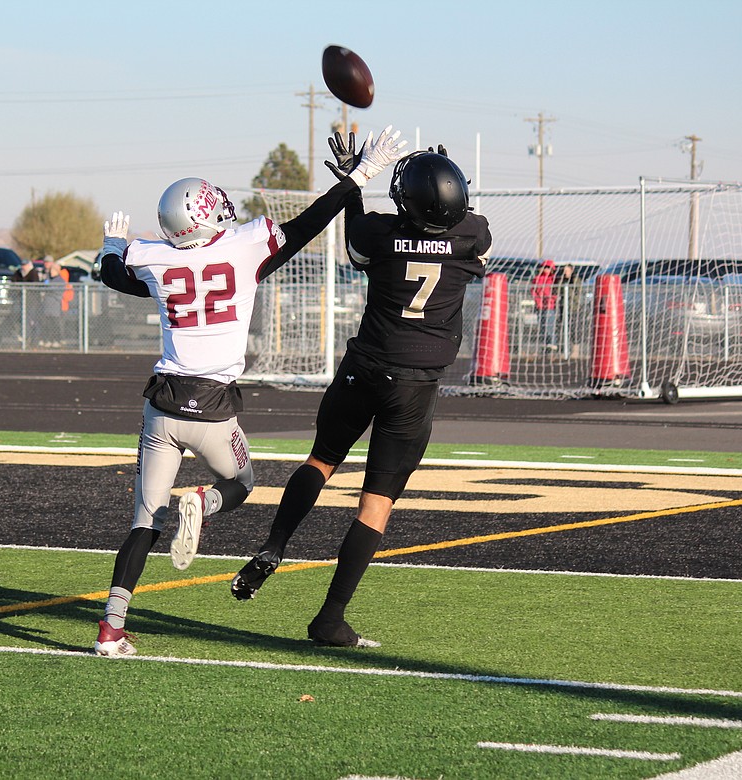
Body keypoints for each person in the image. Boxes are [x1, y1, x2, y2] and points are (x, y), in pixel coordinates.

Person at [92, 127, 408, 657]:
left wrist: (109, 248)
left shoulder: (154, 259)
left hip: (162, 405)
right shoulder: (243, 248)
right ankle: (203, 502)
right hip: (213, 409)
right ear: (207, 214)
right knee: (241, 484)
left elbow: (112, 275)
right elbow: (310, 223)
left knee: (145, 521)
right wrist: (362, 174)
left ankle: (111, 629)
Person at [230, 136, 492, 648]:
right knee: (375, 503)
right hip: (414, 388)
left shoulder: (379, 233)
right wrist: (443, 179)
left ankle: (275, 545)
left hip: (364, 368)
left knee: (321, 460)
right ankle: (329, 618)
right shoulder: (472, 235)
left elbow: (356, 242)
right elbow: (462, 223)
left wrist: (354, 183)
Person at [532, 259, 558, 351]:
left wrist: (551, 299)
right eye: (545, 267)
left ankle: (553, 344)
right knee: (542, 326)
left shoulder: (553, 279)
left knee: (549, 326)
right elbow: (534, 291)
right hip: (540, 306)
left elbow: (555, 292)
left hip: (549, 306)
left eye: (548, 267)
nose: (546, 269)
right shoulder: (537, 279)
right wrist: (537, 300)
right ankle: (546, 345)